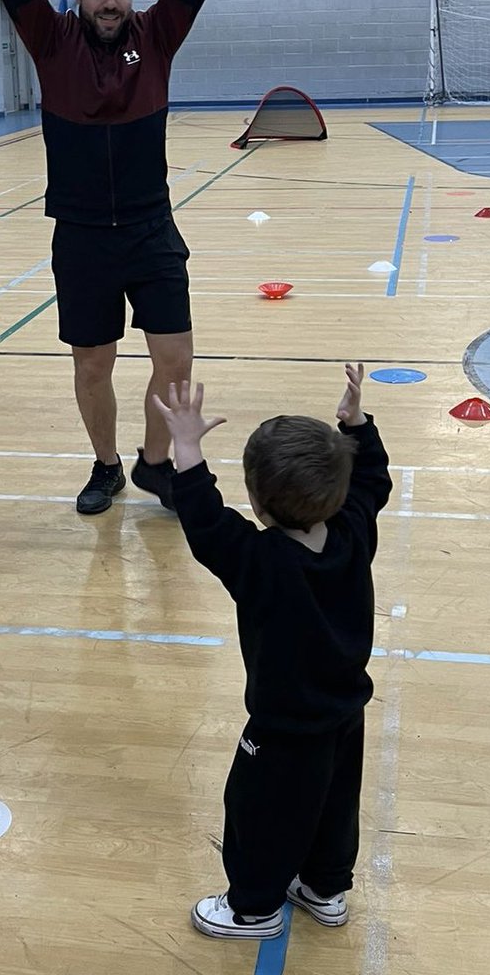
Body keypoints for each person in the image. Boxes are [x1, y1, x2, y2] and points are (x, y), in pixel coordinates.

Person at [0, 0, 221, 515]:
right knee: (94, 364)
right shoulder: (50, 41)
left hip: (151, 230)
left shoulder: (157, 35)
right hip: (83, 237)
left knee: (175, 360)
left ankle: (156, 464)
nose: (111, 2)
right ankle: (107, 465)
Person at [154, 364, 392, 939]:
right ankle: (326, 890)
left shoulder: (259, 561)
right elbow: (373, 479)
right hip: (346, 714)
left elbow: (204, 520)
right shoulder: (354, 528)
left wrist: (186, 446)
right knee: (335, 805)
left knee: (259, 814)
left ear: (258, 505)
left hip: (283, 727)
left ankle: (253, 909)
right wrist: (357, 424)